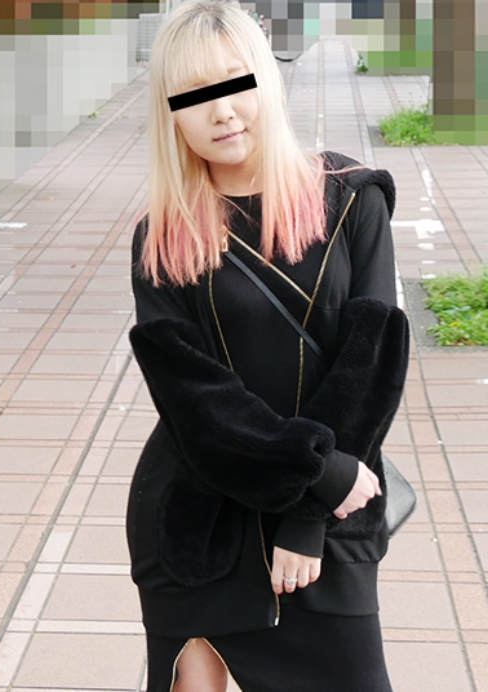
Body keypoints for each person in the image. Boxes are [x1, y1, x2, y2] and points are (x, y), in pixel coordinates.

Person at [126, 1, 409, 690]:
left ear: (267, 82)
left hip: (332, 511)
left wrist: (308, 512)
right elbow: (196, 402)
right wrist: (318, 475)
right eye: (194, 96)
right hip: (201, 519)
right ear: (170, 113)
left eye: (236, 84)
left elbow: (370, 363)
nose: (221, 112)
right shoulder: (163, 236)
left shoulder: (352, 199)